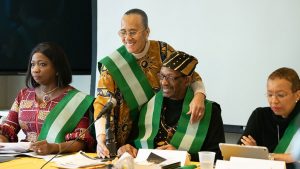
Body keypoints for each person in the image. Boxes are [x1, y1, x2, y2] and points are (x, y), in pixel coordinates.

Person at [94, 8, 208, 158]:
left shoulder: (163, 51)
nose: (127, 37)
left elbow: (190, 75)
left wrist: (199, 96)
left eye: (133, 32)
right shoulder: (112, 65)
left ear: (147, 32)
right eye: (123, 32)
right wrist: (101, 139)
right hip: (126, 142)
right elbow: (102, 103)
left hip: (157, 133)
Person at [117, 51, 225, 161]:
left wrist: (182, 155)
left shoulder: (210, 111)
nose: (164, 82)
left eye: (170, 77)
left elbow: (217, 155)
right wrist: (127, 148)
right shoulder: (148, 106)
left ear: (187, 80)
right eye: (162, 76)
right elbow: (135, 143)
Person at [0, 42, 95, 155]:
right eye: (33, 64)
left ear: (58, 69)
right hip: (25, 158)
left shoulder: (76, 100)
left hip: (57, 159)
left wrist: (53, 148)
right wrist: (2, 140)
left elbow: (81, 141)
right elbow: (8, 129)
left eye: (42, 64)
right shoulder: (23, 95)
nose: (35, 69)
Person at [239, 67, 300, 169]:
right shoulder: (260, 115)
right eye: (269, 94)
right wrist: (253, 152)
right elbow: (240, 152)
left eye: (281, 95)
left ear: (297, 95)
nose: (274, 100)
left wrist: (260, 154)